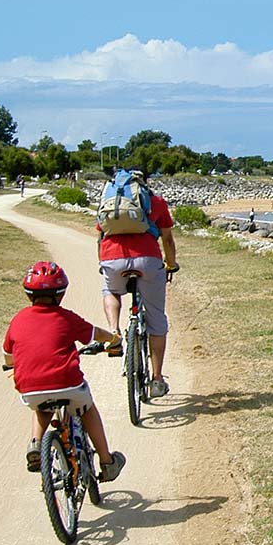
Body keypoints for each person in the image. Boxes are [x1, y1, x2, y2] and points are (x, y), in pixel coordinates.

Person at [3, 261, 126, 480]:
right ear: (60, 294)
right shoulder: (66, 318)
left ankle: (36, 444)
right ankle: (107, 462)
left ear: (28, 295)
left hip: (30, 390)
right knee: (87, 409)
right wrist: (113, 339)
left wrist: (14, 366)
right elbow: (94, 333)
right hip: (68, 385)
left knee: (42, 407)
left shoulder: (18, 320)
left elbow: (8, 356)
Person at [97, 169, 178, 398]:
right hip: (148, 259)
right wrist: (170, 264)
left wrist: (102, 262)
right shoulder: (155, 202)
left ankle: (114, 333)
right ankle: (157, 379)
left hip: (112, 258)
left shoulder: (109, 201)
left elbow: (101, 234)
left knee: (110, 290)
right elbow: (168, 239)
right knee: (156, 317)